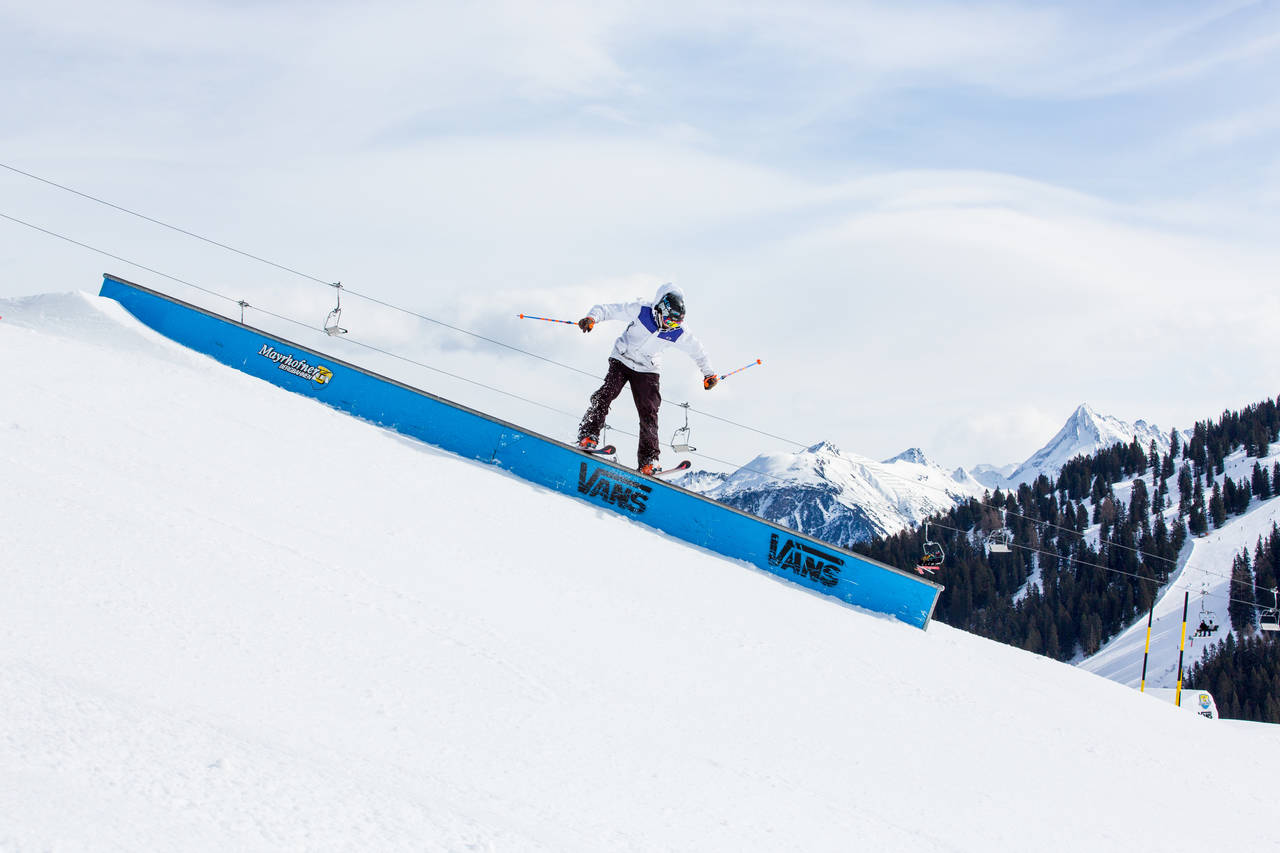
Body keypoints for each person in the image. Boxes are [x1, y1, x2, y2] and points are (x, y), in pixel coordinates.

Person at [576, 283, 716, 474]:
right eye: (668, 320)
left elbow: (698, 352)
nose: (669, 325)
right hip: (622, 358)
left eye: (675, 323)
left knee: (649, 412)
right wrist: (592, 318)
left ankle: (649, 460)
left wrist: (708, 374)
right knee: (606, 394)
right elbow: (608, 309)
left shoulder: (679, 331)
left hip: (648, 368)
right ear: (660, 309)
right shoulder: (641, 310)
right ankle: (588, 435)